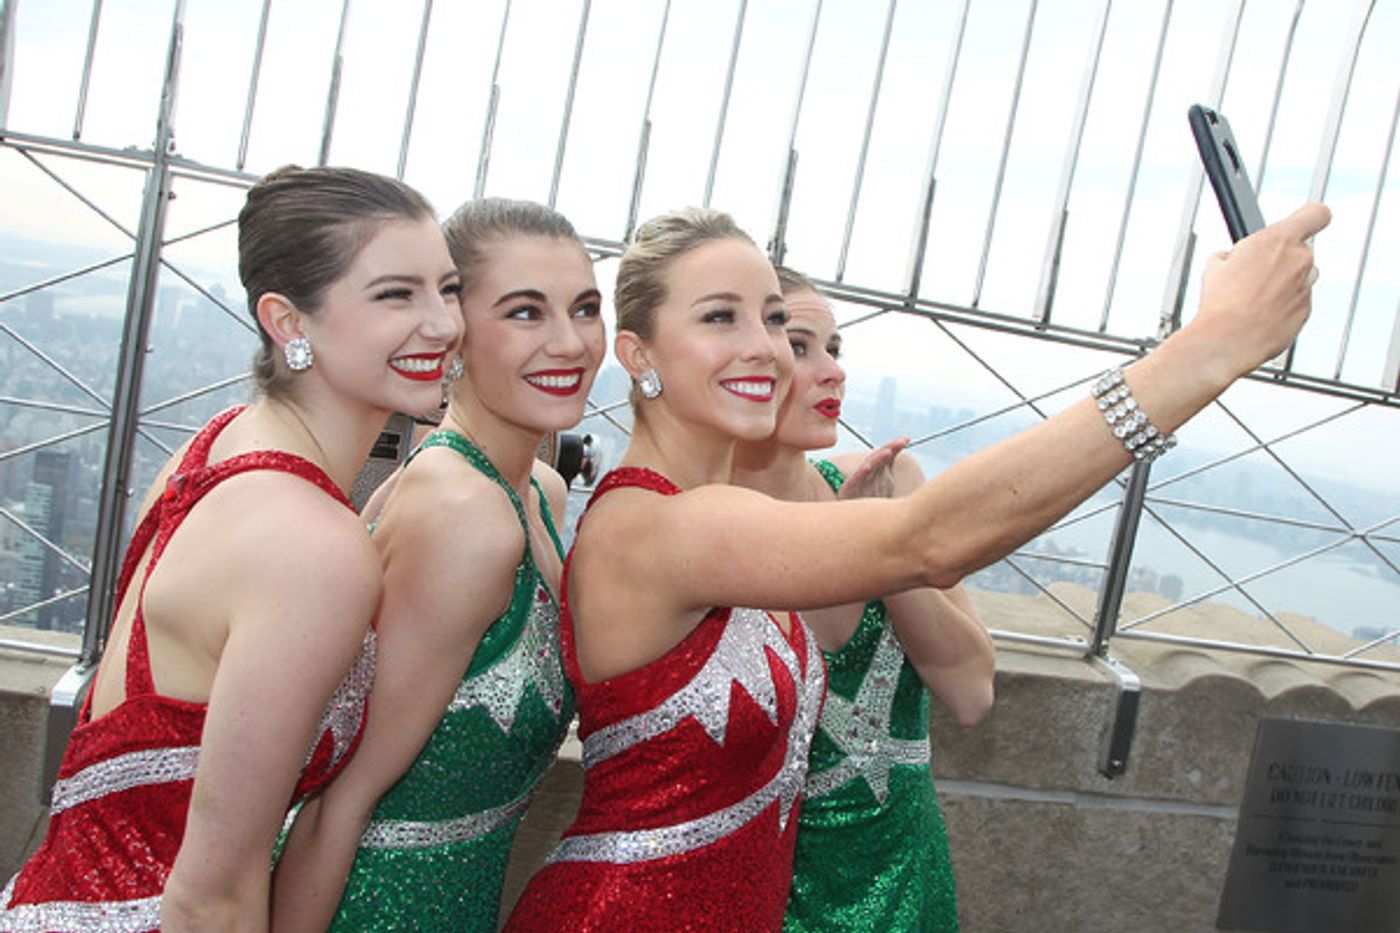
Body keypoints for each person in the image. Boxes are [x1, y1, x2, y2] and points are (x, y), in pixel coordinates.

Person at [503, 199, 1327, 931]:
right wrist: (1209, 347)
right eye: (721, 318)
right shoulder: (661, 527)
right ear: (639, 354)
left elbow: (884, 622)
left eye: (770, 318)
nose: (765, 350)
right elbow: (932, 538)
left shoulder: (732, 523)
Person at [0, 166, 464, 932]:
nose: (444, 323)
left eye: (447, 288)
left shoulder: (212, 444)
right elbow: (210, 892)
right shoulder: (312, 545)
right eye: (396, 294)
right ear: (288, 321)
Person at [271, 198, 605, 932]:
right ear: (453, 336)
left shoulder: (538, 493)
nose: (571, 341)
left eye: (585, 308)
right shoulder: (466, 518)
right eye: (525, 312)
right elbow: (336, 805)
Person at [731, 267, 994, 931]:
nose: (832, 372)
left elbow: (971, 692)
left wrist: (883, 553)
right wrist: (852, 550)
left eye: (835, 348)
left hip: (906, 878)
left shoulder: (888, 483)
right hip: (767, 891)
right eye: (801, 346)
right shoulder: (706, 533)